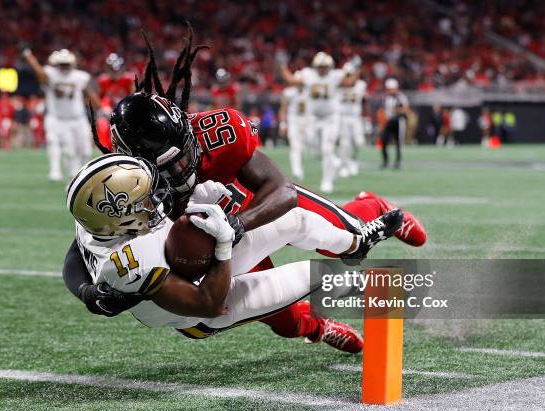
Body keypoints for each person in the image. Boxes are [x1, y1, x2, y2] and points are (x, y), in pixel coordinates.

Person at [63, 26, 425, 345]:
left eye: (183, 153)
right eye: (169, 163)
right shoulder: (121, 188)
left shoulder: (215, 133)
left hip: (247, 204)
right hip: (202, 262)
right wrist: (88, 291)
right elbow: (82, 245)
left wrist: (236, 225)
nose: (183, 165)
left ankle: (370, 212)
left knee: (333, 230)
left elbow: (282, 191)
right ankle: (315, 328)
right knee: (279, 312)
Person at [67, 154, 403, 351]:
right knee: (313, 277)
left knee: (294, 218)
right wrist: (225, 243)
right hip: (199, 308)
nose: (153, 199)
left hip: (193, 261)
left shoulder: (96, 223)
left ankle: (355, 242)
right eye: (142, 200)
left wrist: (85, 291)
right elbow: (208, 300)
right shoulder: (130, 264)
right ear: (119, 215)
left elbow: (73, 258)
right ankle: (319, 326)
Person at [280, 52, 361, 193]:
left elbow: (350, 83)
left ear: (330, 66)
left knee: (327, 149)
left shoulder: (335, 76)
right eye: (320, 66)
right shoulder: (308, 75)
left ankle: (327, 181)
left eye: (325, 66)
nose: (323, 69)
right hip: (312, 118)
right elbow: (291, 81)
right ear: (315, 66)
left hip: (331, 117)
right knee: (312, 145)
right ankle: (335, 162)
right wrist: (282, 66)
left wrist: (357, 68)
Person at [22, 47, 100, 181]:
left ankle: (81, 174)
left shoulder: (80, 77)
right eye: (61, 64)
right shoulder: (50, 74)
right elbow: (40, 73)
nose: (64, 67)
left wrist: (100, 108)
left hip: (78, 118)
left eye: (66, 64)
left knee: (85, 150)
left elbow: (90, 95)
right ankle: (62, 172)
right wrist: (29, 57)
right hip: (58, 117)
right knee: (64, 147)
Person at [338, 61, 368, 177]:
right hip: (343, 117)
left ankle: (353, 160)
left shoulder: (361, 85)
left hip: (356, 118)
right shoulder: (340, 85)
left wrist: (366, 120)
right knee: (344, 143)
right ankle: (344, 166)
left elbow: (365, 103)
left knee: (358, 142)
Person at [278, 73, 310, 180]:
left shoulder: (309, 91)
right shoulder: (289, 92)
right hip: (294, 120)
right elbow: (283, 109)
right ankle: (297, 170)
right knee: (295, 146)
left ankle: (301, 167)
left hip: (308, 120)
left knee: (305, 146)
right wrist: (283, 124)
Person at [380, 78, 409, 169]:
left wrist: (396, 110)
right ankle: (385, 161)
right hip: (389, 121)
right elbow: (384, 110)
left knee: (398, 143)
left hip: (399, 121)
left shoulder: (401, 97)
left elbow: (405, 110)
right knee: (384, 140)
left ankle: (397, 162)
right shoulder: (386, 97)